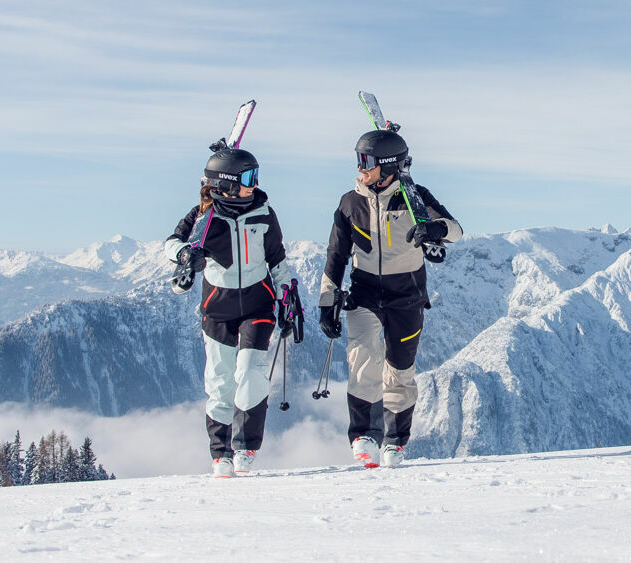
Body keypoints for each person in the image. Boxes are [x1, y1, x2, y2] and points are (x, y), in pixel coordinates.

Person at [318, 128, 462, 468]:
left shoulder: (414, 197)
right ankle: (365, 435)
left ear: (387, 166)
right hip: (365, 294)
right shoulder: (350, 203)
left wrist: (434, 229)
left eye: (365, 161)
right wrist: (327, 301)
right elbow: (336, 255)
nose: (359, 169)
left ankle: (395, 440)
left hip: (407, 297)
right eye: (358, 160)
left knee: (400, 370)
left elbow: (455, 229)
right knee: (363, 358)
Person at [164, 146, 297, 478]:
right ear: (226, 184)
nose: (255, 184)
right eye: (248, 178)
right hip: (217, 306)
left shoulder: (264, 213)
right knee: (221, 382)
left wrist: (287, 296)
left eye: (256, 176)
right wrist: (185, 256)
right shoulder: (202, 217)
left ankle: (245, 446)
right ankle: (220, 451)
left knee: (251, 371)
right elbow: (171, 242)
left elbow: (277, 261)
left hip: (258, 302)